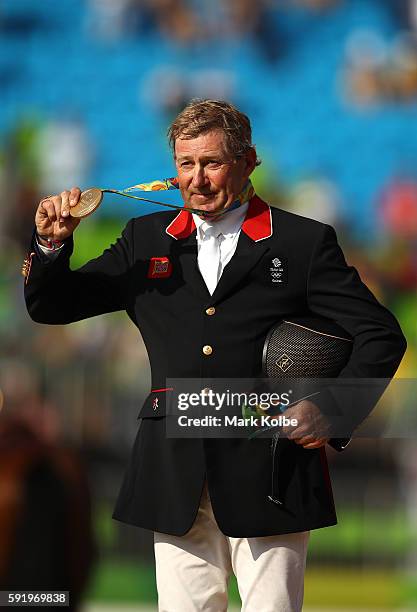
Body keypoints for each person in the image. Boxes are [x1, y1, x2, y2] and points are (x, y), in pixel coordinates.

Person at [23, 99, 406, 611]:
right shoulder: (144, 241)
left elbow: (380, 334)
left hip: (274, 469)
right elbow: (52, 306)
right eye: (186, 164)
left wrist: (330, 408)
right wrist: (51, 247)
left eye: (212, 162)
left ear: (249, 162)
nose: (197, 179)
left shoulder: (302, 243)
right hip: (173, 474)